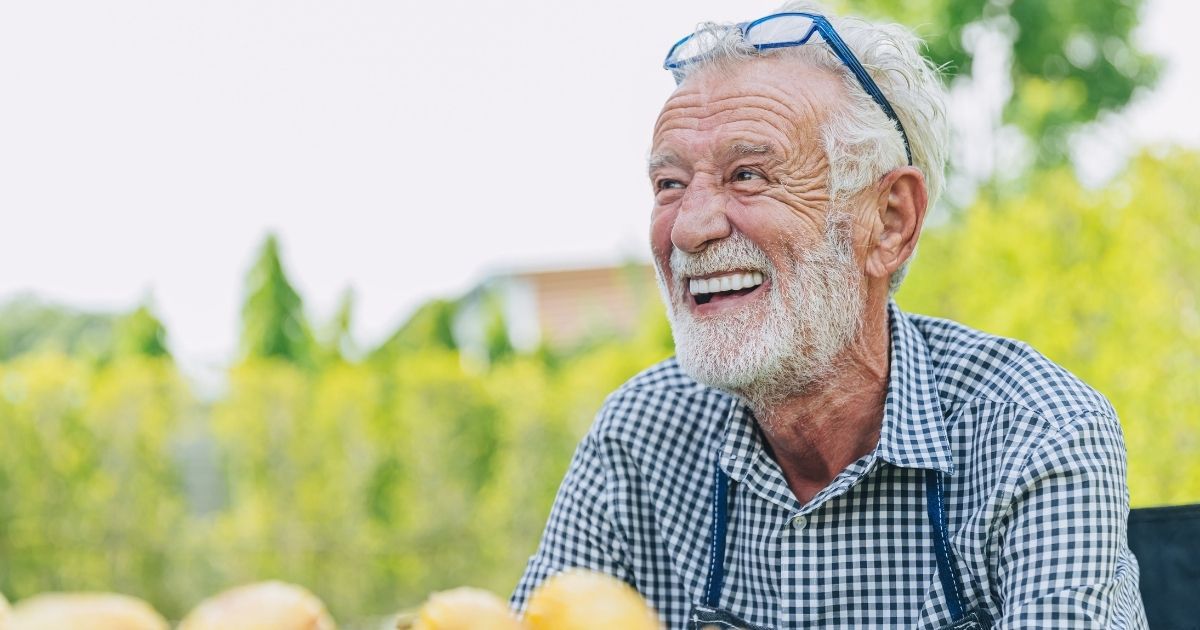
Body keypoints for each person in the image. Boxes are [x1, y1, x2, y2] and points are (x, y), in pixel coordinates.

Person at [511, 2, 1147, 628]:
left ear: (890, 221)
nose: (690, 228)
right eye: (670, 185)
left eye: (748, 174)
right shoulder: (641, 436)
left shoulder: (1034, 433)